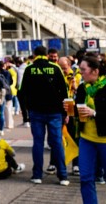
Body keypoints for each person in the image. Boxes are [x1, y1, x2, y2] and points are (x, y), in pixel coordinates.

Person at [71, 54, 106, 204]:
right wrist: (70, 110)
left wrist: (94, 113)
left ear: (95, 71)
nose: (80, 73)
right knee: (86, 178)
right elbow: (78, 110)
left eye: (83, 70)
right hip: (87, 139)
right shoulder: (83, 88)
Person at [18, 44, 69, 186]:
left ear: (34, 55)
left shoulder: (29, 69)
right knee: (57, 143)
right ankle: (63, 176)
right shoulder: (56, 68)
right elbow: (64, 93)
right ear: (47, 55)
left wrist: (26, 110)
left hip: (36, 112)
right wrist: (65, 113)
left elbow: (22, 92)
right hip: (54, 112)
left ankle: (37, 175)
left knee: (38, 143)